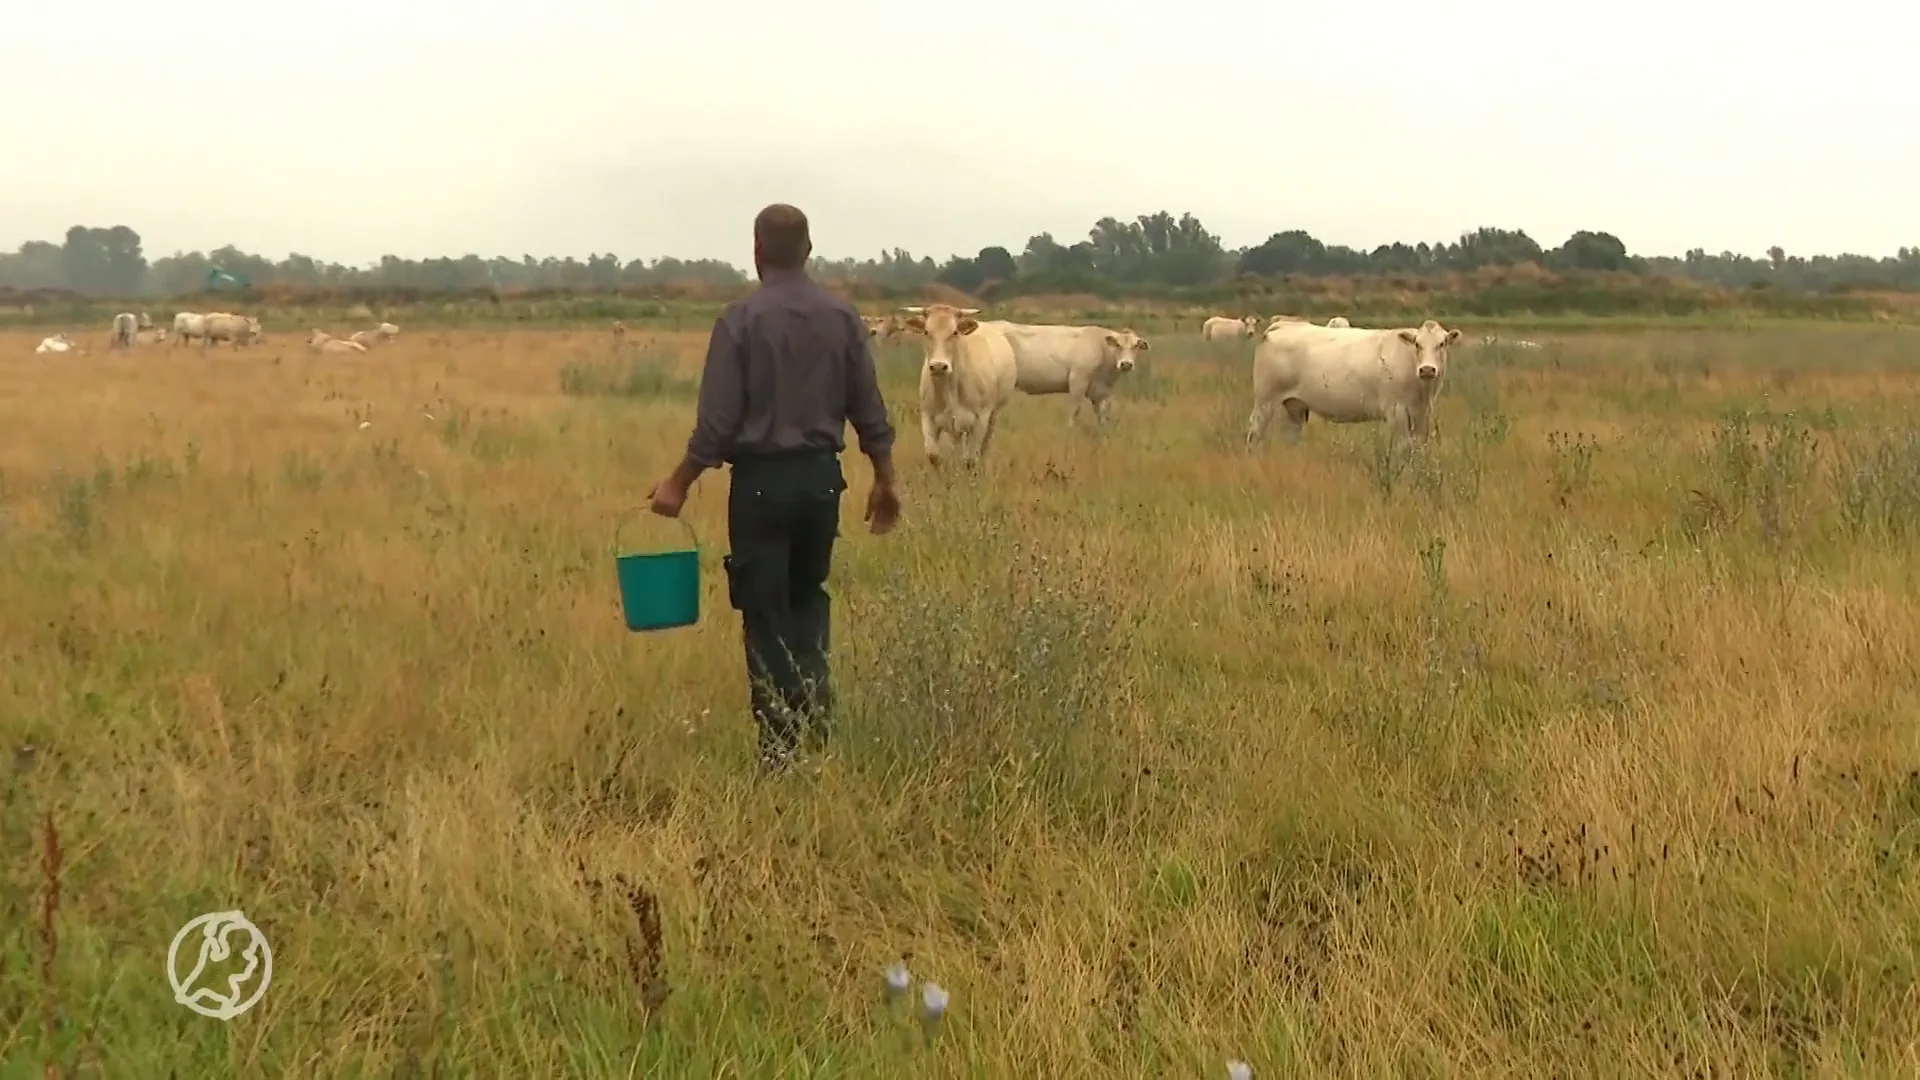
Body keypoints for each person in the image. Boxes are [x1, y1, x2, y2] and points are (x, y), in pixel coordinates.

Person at [647, 203, 901, 771]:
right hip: (821, 485)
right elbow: (868, 406)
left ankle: (779, 752)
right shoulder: (842, 318)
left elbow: (716, 425)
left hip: (760, 487)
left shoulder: (740, 320)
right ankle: (817, 733)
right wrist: (886, 478)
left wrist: (678, 483)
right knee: (808, 598)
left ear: (757, 250)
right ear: (808, 250)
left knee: (764, 613)